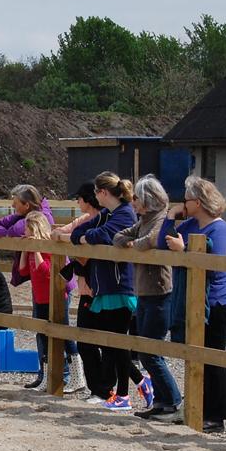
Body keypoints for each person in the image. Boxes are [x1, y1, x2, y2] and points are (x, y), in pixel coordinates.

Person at [160, 176, 226, 432]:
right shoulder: (191, 224)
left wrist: (185, 253)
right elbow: (163, 242)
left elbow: (216, 270)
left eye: (187, 199)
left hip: (216, 302)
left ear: (199, 202)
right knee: (195, 356)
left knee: (213, 357)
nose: (183, 202)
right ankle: (197, 408)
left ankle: (217, 416)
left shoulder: (219, 229)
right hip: (193, 301)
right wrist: (170, 217)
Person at [70, 171, 139, 411]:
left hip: (120, 286)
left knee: (116, 342)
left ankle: (123, 394)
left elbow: (104, 235)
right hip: (107, 286)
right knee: (111, 341)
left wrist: (86, 238)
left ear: (102, 193)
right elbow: (81, 233)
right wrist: (86, 238)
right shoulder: (110, 214)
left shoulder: (124, 214)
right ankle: (124, 390)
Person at [115, 174, 182, 421]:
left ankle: (173, 401)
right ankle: (164, 401)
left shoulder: (161, 218)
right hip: (144, 292)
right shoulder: (144, 219)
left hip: (159, 292)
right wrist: (132, 242)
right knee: (145, 349)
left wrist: (135, 243)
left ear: (148, 199)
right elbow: (119, 237)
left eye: (137, 199)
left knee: (151, 351)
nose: (133, 203)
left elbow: (153, 240)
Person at [52, 182, 103, 398]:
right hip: (85, 286)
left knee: (104, 342)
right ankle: (96, 388)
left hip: (95, 286)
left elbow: (88, 250)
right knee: (85, 339)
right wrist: (67, 239)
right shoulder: (84, 219)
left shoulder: (98, 219)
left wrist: (71, 244)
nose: (77, 202)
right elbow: (61, 232)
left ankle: (104, 390)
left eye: (79, 199)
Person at [19, 211, 74, 391]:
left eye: (27, 227)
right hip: (40, 297)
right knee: (42, 336)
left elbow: (46, 272)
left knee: (64, 336)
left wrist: (36, 249)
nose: (24, 230)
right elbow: (23, 271)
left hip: (55, 298)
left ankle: (75, 375)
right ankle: (46, 376)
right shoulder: (31, 248)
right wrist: (24, 251)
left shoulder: (48, 247)